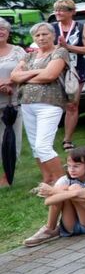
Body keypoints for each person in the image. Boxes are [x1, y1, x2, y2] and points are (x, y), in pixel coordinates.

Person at [23, 146, 85, 246]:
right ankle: (49, 229)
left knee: (73, 187)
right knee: (68, 189)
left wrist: (57, 191)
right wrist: (74, 193)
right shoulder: (64, 179)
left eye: (76, 166)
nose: (71, 169)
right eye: (69, 166)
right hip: (70, 227)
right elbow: (48, 202)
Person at [10, 23, 68, 185]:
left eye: (44, 34)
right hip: (27, 103)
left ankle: (62, 183)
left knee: (43, 146)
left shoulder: (60, 52)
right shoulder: (29, 56)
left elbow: (50, 75)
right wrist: (37, 72)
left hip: (49, 104)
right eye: (37, 35)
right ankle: (48, 180)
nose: (41, 38)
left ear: (53, 35)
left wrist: (26, 78)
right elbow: (14, 76)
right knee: (35, 146)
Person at [51, 0, 85, 153]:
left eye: (62, 10)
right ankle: (47, 139)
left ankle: (67, 140)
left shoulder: (82, 27)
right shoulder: (51, 28)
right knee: (53, 104)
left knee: (72, 105)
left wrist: (67, 47)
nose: (58, 13)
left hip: (75, 71)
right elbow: (45, 49)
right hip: (54, 70)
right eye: (56, 10)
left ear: (72, 12)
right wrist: (57, 48)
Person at [0, 20, 26, 187]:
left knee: (11, 139)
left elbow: (26, 71)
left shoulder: (18, 51)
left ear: (8, 32)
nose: (0, 32)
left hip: (12, 102)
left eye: (2, 29)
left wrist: (9, 82)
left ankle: (7, 175)